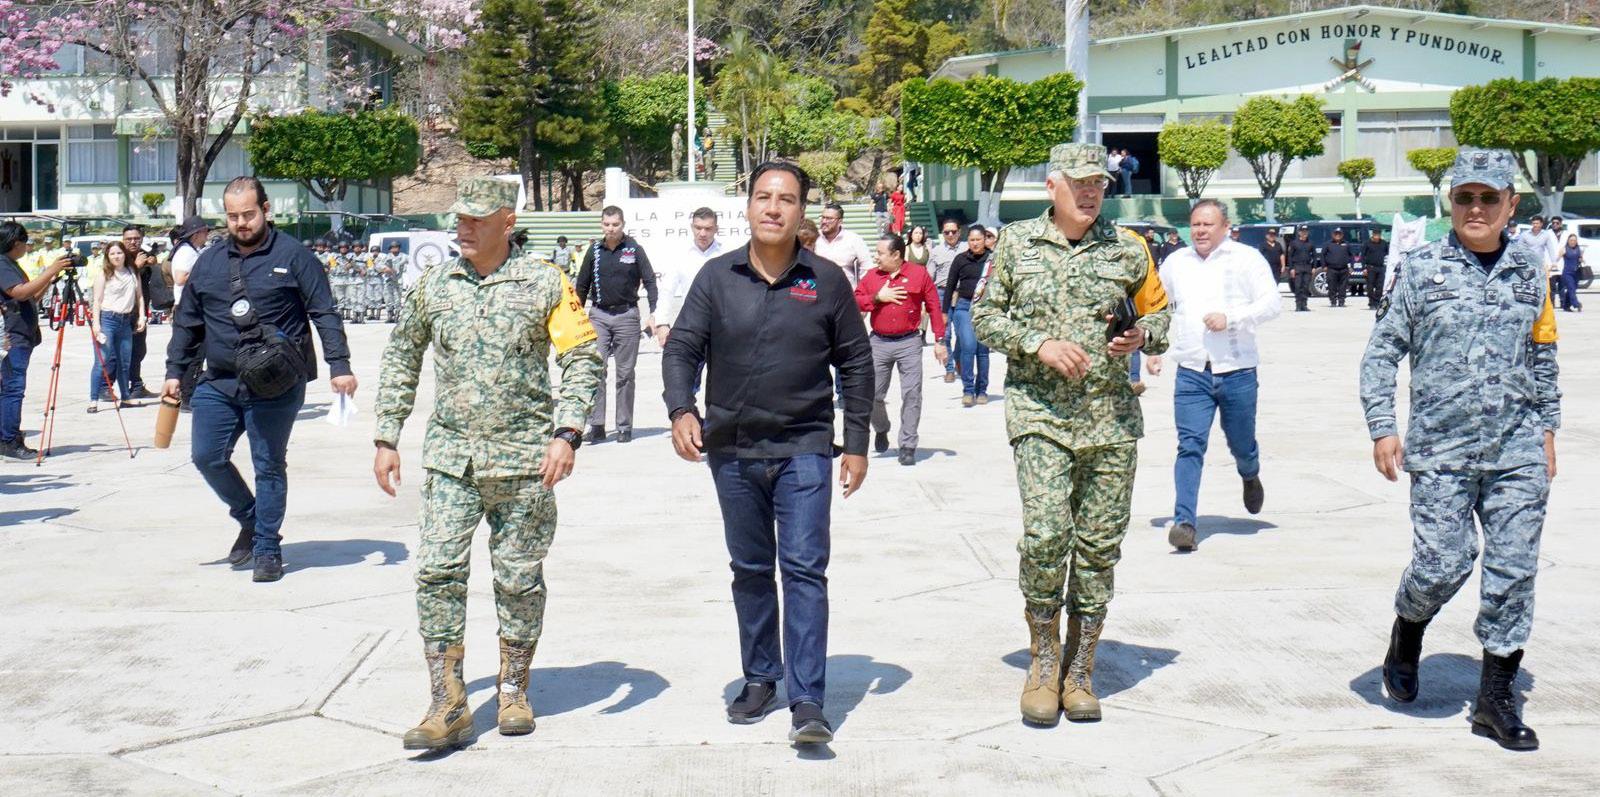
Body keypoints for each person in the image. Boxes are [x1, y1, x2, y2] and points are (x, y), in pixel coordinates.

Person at [374, 177, 603, 752]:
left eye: (477, 218)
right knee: (436, 573)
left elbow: (582, 355)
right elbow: (402, 354)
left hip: (525, 462)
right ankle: (447, 701)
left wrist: (568, 432)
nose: (464, 228)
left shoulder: (545, 281)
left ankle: (514, 689)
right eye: (460, 218)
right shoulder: (435, 284)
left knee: (518, 580)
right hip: (452, 460)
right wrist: (386, 434)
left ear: (508, 221)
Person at [662, 161, 873, 746]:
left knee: (804, 569)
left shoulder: (826, 281)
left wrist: (856, 443)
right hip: (731, 450)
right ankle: (760, 677)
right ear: (749, 206)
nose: (773, 208)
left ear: (802, 211)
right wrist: (681, 409)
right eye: (763, 197)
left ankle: (808, 700)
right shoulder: (716, 277)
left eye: (786, 199)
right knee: (751, 570)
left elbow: (856, 364)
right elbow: (682, 349)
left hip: (804, 447)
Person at [1361, 148, 1559, 752]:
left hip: (1517, 448)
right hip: (1441, 450)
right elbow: (1381, 353)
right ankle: (1408, 628)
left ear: (1510, 205)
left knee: (1514, 570)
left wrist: (1549, 430)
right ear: (1451, 202)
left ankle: (1495, 698)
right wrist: (1382, 426)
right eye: (1465, 197)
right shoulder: (1421, 269)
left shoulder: (1530, 269)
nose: (1476, 208)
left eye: (1488, 198)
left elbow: (1543, 354)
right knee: (1443, 564)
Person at [973, 142, 1170, 727]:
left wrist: (1142, 336)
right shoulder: (1015, 243)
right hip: (1039, 414)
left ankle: (1080, 668)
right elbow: (984, 317)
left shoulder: (1129, 248)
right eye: (1080, 182)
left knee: (1099, 546)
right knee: (1045, 536)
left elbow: (1160, 315)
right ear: (1052, 186)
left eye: (1099, 184)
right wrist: (1037, 344)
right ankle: (1043, 660)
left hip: (1110, 419)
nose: (1090, 192)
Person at [163, 177, 357, 583]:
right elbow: (188, 322)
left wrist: (339, 365)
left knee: (268, 464)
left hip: (276, 384)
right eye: (233, 216)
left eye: (248, 214)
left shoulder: (295, 256)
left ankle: (268, 547)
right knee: (206, 456)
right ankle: (251, 518)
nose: (241, 223)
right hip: (220, 381)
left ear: (266, 210)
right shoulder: (209, 262)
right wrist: (174, 372)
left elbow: (324, 312)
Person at [1146, 200, 1280, 552]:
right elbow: (1157, 306)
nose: (1200, 231)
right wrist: (1153, 347)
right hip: (1192, 373)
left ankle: (1249, 474)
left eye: (1208, 224)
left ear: (1225, 227)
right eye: (1195, 224)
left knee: (1241, 444)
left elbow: (1272, 303)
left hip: (1237, 371)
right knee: (1189, 445)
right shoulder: (1176, 262)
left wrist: (1231, 318)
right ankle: (1185, 523)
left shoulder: (1247, 258)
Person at [855, 233, 946, 465]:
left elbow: (934, 306)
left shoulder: (918, 274)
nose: (876, 257)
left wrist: (940, 340)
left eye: (880, 253)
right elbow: (854, 301)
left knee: (912, 393)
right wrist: (877, 297)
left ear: (896, 255)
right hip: (879, 342)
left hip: (909, 342)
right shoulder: (872, 276)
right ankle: (881, 427)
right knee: (872, 394)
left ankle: (907, 444)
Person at [573, 206, 657, 445]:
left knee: (625, 374)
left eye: (615, 224)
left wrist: (654, 312)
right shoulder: (594, 251)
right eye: (607, 224)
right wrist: (575, 316)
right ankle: (597, 425)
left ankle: (624, 426)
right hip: (598, 316)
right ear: (602, 225)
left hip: (627, 316)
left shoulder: (634, 249)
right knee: (596, 370)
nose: (611, 229)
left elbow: (650, 281)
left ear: (623, 225)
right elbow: (581, 286)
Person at [0, 223, 73, 459]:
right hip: (13, 336)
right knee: (13, 389)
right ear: (16, 243)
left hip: (22, 334)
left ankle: (7, 435)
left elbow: (29, 296)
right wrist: (50, 270)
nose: (26, 247)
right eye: (25, 243)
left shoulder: (12, 264)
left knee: (10, 388)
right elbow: (20, 292)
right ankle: (9, 440)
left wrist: (50, 280)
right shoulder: (2, 264)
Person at [87, 242, 145, 412]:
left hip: (125, 321)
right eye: (112, 254)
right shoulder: (104, 274)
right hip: (108, 319)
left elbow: (140, 296)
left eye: (119, 253)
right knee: (102, 361)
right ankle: (93, 399)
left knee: (124, 362)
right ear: (107, 256)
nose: (116, 256)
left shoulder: (132, 272)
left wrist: (142, 316)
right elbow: (97, 301)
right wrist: (96, 325)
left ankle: (125, 397)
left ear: (124, 254)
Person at [655, 207, 724, 349]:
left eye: (708, 229)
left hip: (722, 325)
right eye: (698, 228)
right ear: (692, 227)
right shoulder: (680, 255)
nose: (702, 233)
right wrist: (662, 323)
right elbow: (667, 290)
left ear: (716, 229)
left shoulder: (726, 254)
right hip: (691, 325)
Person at [945, 226, 993, 406]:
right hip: (964, 307)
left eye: (978, 239)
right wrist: (944, 312)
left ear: (985, 240)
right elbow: (950, 286)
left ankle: (982, 390)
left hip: (986, 308)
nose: (975, 243)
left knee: (982, 351)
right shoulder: (960, 259)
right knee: (968, 346)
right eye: (971, 240)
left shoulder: (993, 259)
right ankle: (968, 390)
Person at [121, 225, 159, 399]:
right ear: (123, 239)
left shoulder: (144, 254)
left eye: (136, 238)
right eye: (129, 239)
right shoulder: (117, 255)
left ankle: (136, 384)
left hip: (140, 309)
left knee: (139, 349)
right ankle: (105, 385)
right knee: (121, 351)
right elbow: (118, 281)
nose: (133, 242)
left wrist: (153, 263)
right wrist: (136, 266)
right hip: (121, 310)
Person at [928, 221, 967, 384]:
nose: (950, 235)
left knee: (963, 332)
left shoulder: (967, 248)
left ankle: (958, 358)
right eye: (946, 232)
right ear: (942, 233)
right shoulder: (936, 251)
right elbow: (930, 276)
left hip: (962, 294)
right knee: (946, 333)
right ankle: (949, 369)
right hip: (942, 293)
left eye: (953, 231)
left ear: (959, 232)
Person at [814, 202, 874, 287]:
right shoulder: (813, 238)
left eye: (829, 218)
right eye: (823, 217)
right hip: (818, 290)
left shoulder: (853, 239)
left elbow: (867, 267)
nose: (824, 221)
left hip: (845, 291)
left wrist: (861, 290)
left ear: (840, 221)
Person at [1286, 226, 1316, 312]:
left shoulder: (1311, 243)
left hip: (1307, 267)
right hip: (1297, 266)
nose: (1304, 233)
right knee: (1298, 286)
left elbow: (1314, 256)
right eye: (1303, 231)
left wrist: (1314, 267)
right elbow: (1290, 256)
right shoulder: (1294, 243)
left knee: (1306, 287)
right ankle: (1298, 305)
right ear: (1299, 232)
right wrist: (1291, 268)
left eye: (1306, 231)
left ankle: (1304, 305)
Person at [1322, 228, 1353, 307]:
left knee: (1343, 286)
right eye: (1336, 233)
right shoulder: (1328, 244)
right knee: (1332, 286)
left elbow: (1351, 256)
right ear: (1333, 235)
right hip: (1331, 269)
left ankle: (1341, 301)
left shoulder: (1346, 244)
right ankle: (1333, 301)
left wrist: (1351, 266)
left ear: (1342, 235)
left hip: (1344, 269)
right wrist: (1324, 266)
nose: (1338, 235)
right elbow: (1323, 255)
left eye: (1339, 234)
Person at [1362, 228, 1391, 310]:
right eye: (1375, 234)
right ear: (1372, 235)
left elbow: (1389, 253)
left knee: (1380, 287)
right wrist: (1364, 268)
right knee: (1370, 287)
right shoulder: (1367, 243)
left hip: (1381, 268)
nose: (1376, 236)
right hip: (1370, 268)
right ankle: (1371, 303)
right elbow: (1363, 256)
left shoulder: (1384, 243)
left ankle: (1377, 302)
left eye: (1378, 234)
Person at [1558, 233, 1584, 312]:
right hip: (1567, 273)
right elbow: (1557, 259)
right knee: (1571, 288)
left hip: (1576, 273)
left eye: (1574, 240)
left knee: (1572, 289)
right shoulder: (1564, 249)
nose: (1573, 242)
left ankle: (1566, 306)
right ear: (1568, 241)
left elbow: (1580, 259)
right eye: (1571, 240)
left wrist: (1581, 259)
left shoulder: (1578, 249)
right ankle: (1576, 304)